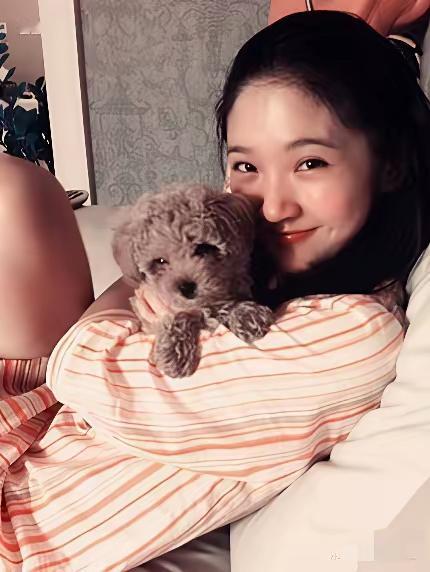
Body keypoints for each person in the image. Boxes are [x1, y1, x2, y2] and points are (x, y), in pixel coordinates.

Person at [0, 9, 428, 570]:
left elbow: (77, 369)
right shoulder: (267, 269)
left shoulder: (353, 337)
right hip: (34, 434)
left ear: (390, 164)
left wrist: (138, 281)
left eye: (310, 162)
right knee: (14, 186)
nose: (272, 206)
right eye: (247, 166)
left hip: (23, 529)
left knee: (15, 189)